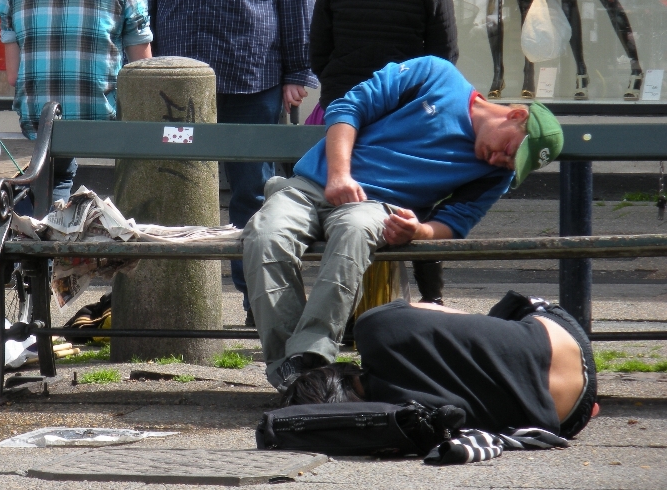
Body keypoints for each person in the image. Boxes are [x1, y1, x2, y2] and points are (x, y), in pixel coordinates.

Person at [242, 56, 564, 391]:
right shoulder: (435, 75)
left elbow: (455, 222)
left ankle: (309, 359)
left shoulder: (497, 174)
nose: (502, 161)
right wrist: (339, 175)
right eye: (510, 151)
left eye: (513, 163)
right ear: (516, 115)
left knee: (355, 231)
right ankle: (292, 374)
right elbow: (347, 108)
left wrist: (419, 231)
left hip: (375, 207)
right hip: (313, 184)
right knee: (265, 236)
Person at [135, 0, 317, 324]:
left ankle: (259, 305)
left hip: (252, 77)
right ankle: (176, 306)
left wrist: (297, 72)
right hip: (178, 86)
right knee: (175, 192)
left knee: (254, 196)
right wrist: (140, 71)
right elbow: (140, 4)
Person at [309, 0, 457, 304]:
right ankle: (432, 301)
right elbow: (444, 59)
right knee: (418, 205)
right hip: (405, 118)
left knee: (347, 208)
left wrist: (342, 92)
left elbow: (318, 50)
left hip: (346, 119)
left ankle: (350, 308)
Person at [0, 0, 152, 203]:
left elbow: (13, 75)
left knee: (58, 172)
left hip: (41, 125)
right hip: (104, 122)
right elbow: (143, 70)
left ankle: (49, 233)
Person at [282, 293, 598, 440]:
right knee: (499, 317)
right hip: (565, 341)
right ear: (338, 371)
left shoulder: (406, 423)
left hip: (569, 417)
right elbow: (452, 318)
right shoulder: (373, 328)